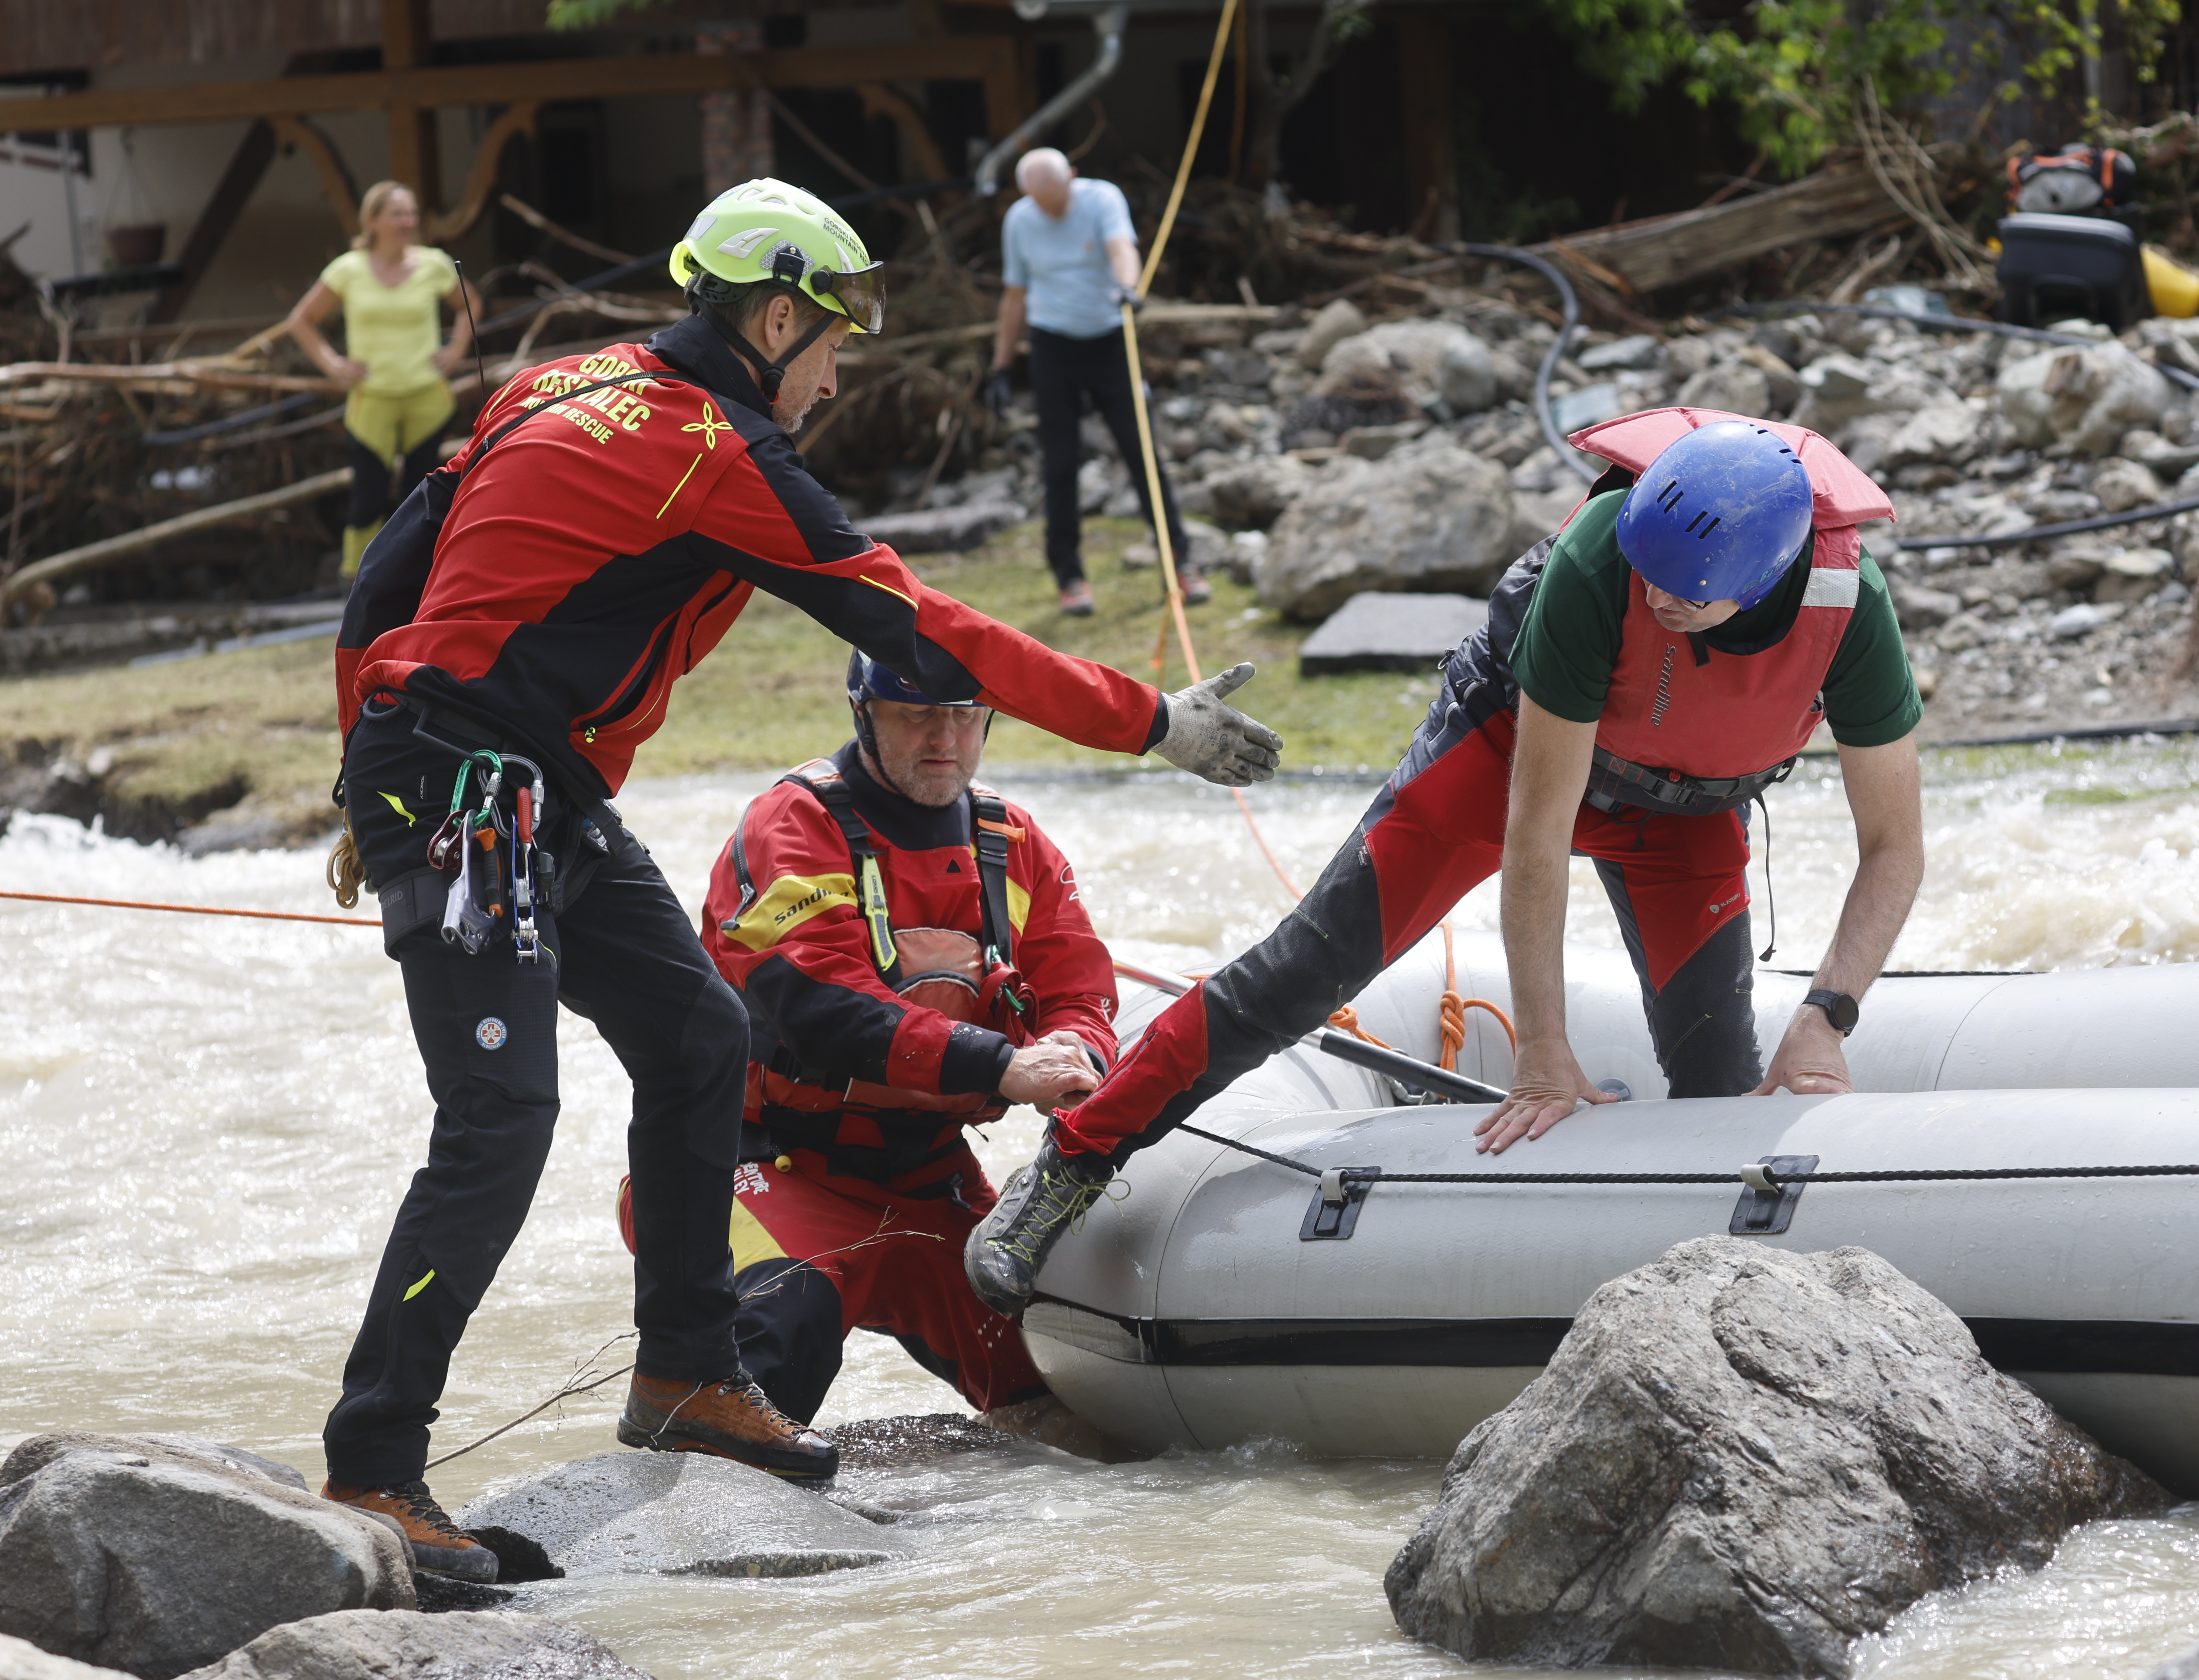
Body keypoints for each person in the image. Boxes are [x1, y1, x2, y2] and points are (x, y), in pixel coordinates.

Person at [322, 177, 1279, 1581]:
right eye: (832, 340)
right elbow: (929, 624)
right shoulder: (712, 448)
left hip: (515, 781)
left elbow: (386, 576)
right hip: (464, 786)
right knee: (500, 1117)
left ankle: (687, 1375)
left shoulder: (567, 378)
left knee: (699, 1034)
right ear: (773, 317)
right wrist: (1153, 724)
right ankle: (372, 1466)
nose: (837, 372)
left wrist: (360, 744)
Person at [964, 408, 1927, 1317]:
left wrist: (1827, 1016)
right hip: (1508, 755)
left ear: (1759, 581)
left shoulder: (1851, 606)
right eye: (1648, 570)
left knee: (1720, 1071)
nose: (1658, 596)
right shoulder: (1601, 564)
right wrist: (1543, 1049)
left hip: (1684, 814)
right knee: (1308, 965)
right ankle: (1073, 1161)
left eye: (1688, 591)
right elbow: (1537, 833)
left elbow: (1894, 846)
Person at [627, 651, 1122, 1458]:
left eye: (965, 716)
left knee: (1075, 1401)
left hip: (928, 1180)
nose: (945, 739)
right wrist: (1005, 1066)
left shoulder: (1013, 839)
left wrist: (1077, 1046)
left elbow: (1079, 979)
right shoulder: (792, 823)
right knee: (785, 1333)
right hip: (764, 1167)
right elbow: (819, 1007)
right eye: (916, 715)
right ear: (865, 714)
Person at [984, 147, 1200, 618]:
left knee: (1142, 451)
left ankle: (1180, 563)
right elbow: (1014, 295)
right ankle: (1070, 577)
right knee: (1060, 465)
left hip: (1109, 342)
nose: (1050, 208)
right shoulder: (1020, 221)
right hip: (1053, 348)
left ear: (1072, 179)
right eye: (1040, 201)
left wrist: (1129, 287)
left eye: (1056, 197)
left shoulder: (1102, 200)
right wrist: (1001, 368)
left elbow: (1123, 249)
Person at [285, 180, 481, 582]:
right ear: (372, 220)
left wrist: (457, 349)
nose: (407, 221)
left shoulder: (435, 264)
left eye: (411, 213)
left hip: (426, 399)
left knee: (423, 494)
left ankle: (422, 579)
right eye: (397, 214)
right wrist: (333, 363)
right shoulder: (348, 269)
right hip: (371, 401)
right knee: (369, 496)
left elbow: (470, 305)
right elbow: (300, 321)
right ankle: (354, 581)